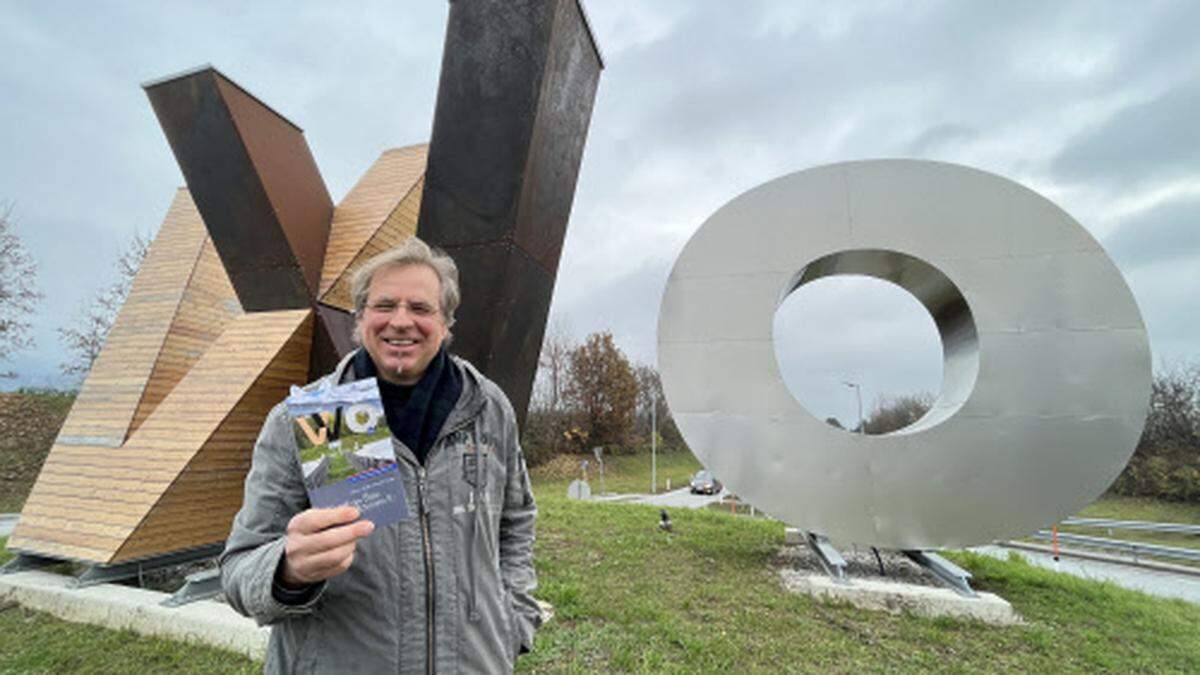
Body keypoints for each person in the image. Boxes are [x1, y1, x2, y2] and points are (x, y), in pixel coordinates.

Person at [220, 237, 540, 674]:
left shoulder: (487, 407)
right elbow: (240, 568)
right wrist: (288, 570)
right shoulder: (317, 418)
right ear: (360, 319)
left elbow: (516, 520)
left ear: (446, 323)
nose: (402, 321)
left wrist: (514, 621)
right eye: (384, 305)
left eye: (421, 308)